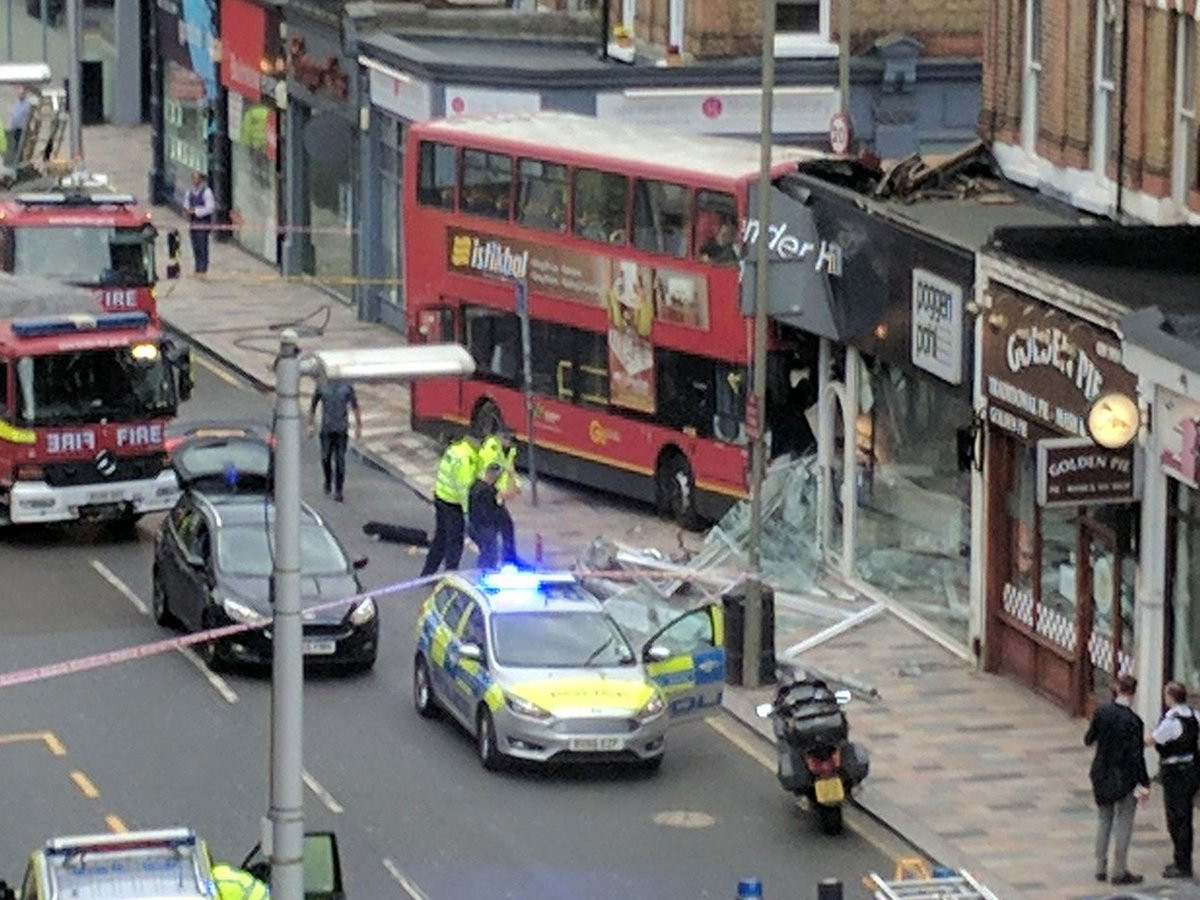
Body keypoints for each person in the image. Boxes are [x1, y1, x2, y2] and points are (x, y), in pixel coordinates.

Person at [1085, 674, 1151, 885]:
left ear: (1116, 688)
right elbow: (1136, 756)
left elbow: (1089, 739)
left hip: (1101, 772)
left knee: (1104, 820)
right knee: (1124, 822)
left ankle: (1100, 866)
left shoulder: (1102, 712)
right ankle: (1119, 870)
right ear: (1133, 693)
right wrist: (1145, 782)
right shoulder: (1134, 721)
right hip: (1124, 777)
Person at [1149, 681, 1199, 878]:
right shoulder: (1193, 715)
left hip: (1175, 773)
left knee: (1176, 818)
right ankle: (1182, 860)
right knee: (1184, 816)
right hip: (1192, 770)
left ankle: (1182, 863)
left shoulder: (1171, 722)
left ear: (1170, 697)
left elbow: (1154, 739)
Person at [420, 434, 478, 578]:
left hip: (441, 498)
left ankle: (427, 574)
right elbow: (463, 488)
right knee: (455, 542)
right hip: (454, 504)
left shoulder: (455, 449)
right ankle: (450, 577)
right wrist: (467, 512)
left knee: (440, 538)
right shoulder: (466, 458)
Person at [307, 377, 362, 502]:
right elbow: (313, 405)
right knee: (325, 457)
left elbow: (355, 406)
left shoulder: (346, 387)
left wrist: (358, 426)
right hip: (326, 429)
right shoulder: (322, 386)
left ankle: (339, 490)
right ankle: (327, 479)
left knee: (340, 461)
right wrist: (310, 425)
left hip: (341, 429)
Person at [477, 429, 520, 564]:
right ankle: (485, 567)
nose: (511, 444)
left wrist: (516, 483)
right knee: (490, 538)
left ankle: (510, 560)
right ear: (501, 438)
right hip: (486, 497)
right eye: (509, 440)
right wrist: (503, 491)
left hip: (497, 498)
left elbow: (510, 469)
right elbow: (488, 476)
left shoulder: (510, 449)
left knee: (507, 528)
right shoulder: (491, 451)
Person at [468, 462, 507, 571]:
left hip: (474, 526)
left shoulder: (475, 486)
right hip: (485, 527)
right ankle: (486, 573)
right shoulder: (487, 491)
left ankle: (482, 571)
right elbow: (492, 511)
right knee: (490, 552)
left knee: (485, 551)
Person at [185, 171, 217, 276]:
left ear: (201, 180)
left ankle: (203, 268)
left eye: (197, 179)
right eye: (193, 179)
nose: (195, 181)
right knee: (195, 245)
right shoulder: (189, 192)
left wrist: (196, 211)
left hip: (203, 222)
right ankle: (197, 266)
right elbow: (186, 205)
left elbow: (210, 208)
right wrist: (186, 211)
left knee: (202, 244)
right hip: (193, 222)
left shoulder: (207, 192)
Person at [6, 86, 32, 165]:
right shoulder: (16, 103)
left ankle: (20, 161)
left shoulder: (27, 104)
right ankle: (15, 161)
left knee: (22, 147)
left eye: (22, 94)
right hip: (15, 129)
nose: (20, 95)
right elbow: (14, 115)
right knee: (15, 147)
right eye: (19, 94)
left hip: (23, 129)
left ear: (25, 94)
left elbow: (29, 116)